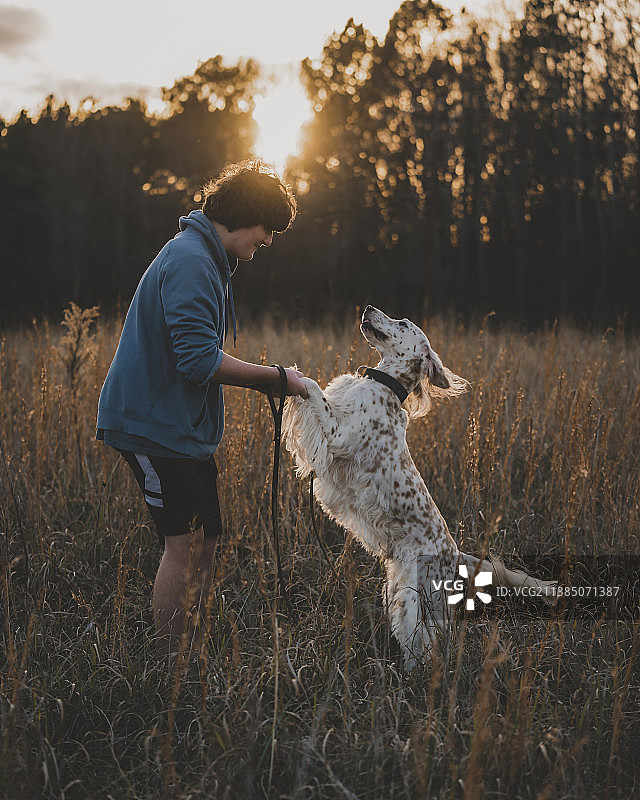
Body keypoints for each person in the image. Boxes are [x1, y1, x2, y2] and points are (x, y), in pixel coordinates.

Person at [96, 159, 308, 659]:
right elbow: (196, 362)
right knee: (185, 547)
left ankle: (190, 649)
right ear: (243, 214)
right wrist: (275, 380)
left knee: (206, 541)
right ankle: (175, 669)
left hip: (179, 430)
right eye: (268, 227)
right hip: (153, 429)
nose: (269, 240)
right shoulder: (191, 259)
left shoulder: (207, 259)